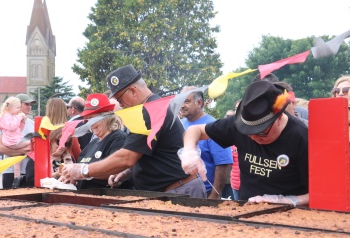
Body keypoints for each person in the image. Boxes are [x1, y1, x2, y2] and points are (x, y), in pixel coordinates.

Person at [60, 64, 206, 198]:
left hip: (179, 190)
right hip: (173, 189)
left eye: (120, 99)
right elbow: (150, 152)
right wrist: (127, 172)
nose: (121, 105)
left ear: (133, 91)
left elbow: (127, 157)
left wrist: (83, 170)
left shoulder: (149, 111)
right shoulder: (150, 107)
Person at [179, 80, 309, 206]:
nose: (253, 137)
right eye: (248, 132)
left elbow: (322, 191)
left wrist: (290, 200)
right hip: (246, 207)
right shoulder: (237, 124)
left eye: (261, 132)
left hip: (288, 214)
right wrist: (190, 151)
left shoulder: (301, 137)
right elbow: (195, 130)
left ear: (279, 118)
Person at [180, 87, 232, 199]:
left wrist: (214, 196)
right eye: (181, 101)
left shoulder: (213, 127)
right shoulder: (179, 125)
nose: (182, 105)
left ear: (199, 103)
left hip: (205, 193)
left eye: (186, 101)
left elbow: (222, 165)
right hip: (182, 191)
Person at [76, 93, 130, 189]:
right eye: (87, 120)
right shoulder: (92, 143)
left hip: (105, 198)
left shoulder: (118, 138)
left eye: (93, 119)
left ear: (106, 117)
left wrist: (82, 172)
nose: (90, 124)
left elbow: (116, 170)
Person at [0, 93, 35, 189]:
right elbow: (0, 148)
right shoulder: (6, 120)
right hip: (10, 171)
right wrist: (22, 152)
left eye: (30, 104)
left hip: (29, 171)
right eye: (26, 104)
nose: (29, 107)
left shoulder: (33, 123)